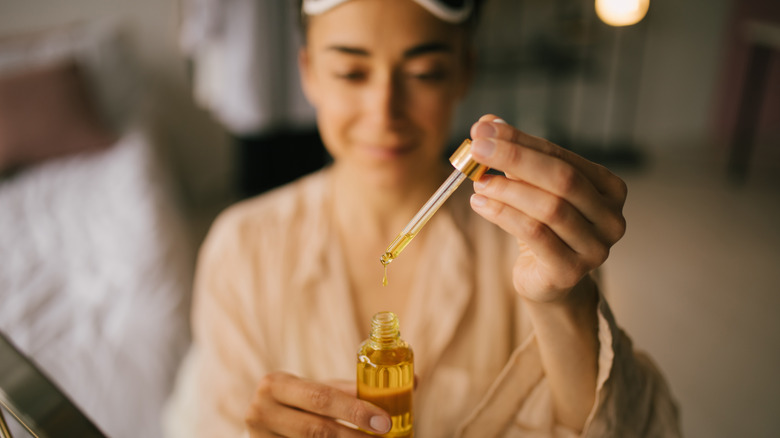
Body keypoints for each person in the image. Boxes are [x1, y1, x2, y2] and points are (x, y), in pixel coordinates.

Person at [165, 0, 681, 436]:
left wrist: (564, 303)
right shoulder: (244, 246)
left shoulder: (527, 242)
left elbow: (622, 424)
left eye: (424, 73)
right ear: (307, 73)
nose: (384, 110)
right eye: (351, 71)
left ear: (464, 72)